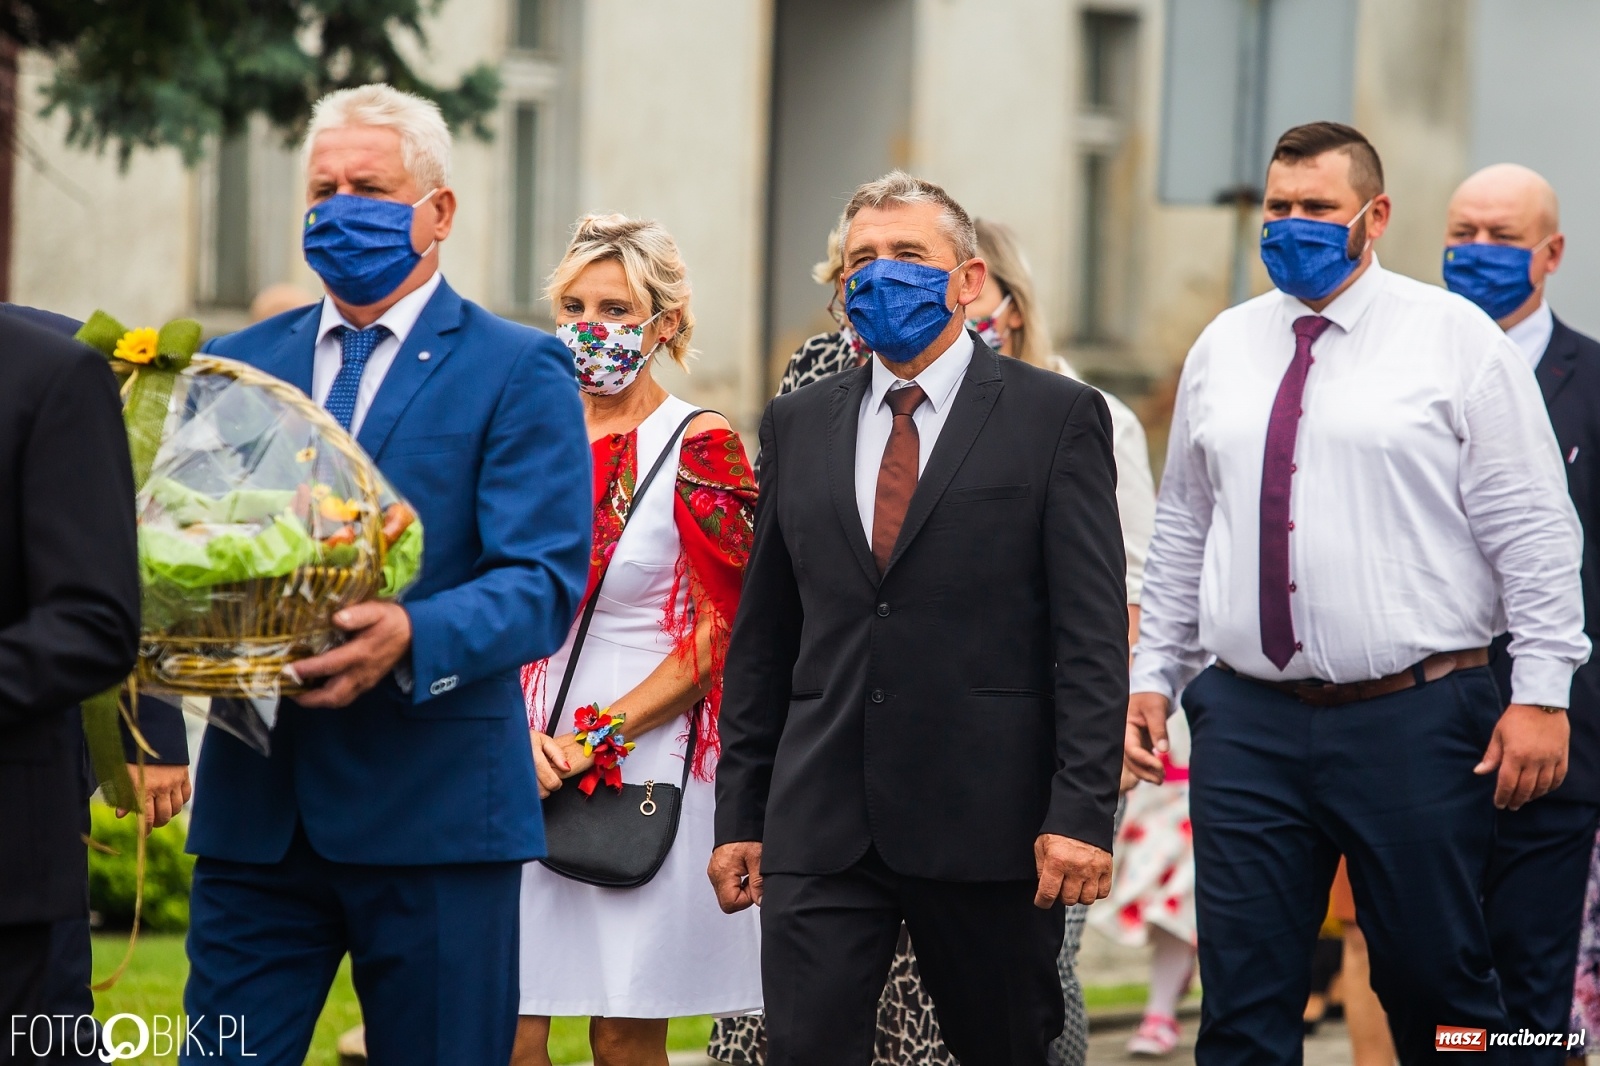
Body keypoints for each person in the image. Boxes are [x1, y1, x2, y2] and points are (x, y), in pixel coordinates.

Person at [1125, 122, 1587, 1065]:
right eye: (1279, 207)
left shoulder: (1452, 339)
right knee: (1246, 1000)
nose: (1291, 225)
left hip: (1414, 719)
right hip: (1248, 722)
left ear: (1372, 217)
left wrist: (1542, 694)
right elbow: (1183, 528)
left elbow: (1534, 528)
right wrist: (1153, 674)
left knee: (1439, 989)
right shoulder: (1226, 345)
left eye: (1317, 209)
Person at [178, 84, 592, 1066]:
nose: (340, 205)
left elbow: (540, 579)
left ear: (437, 211)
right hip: (257, 815)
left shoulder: (517, 367)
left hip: (438, 816)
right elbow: (184, 542)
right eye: (323, 186)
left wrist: (414, 636)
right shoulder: (236, 367)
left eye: (369, 184)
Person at [708, 214, 1156, 1066]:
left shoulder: (1055, 417)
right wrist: (743, 815)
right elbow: (765, 638)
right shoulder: (799, 421)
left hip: (991, 826)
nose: (881, 275)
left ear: (969, 279)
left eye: (908, 255)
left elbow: (1092, 639)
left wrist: (1080, 813)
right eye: (861, 259)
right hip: (821, 825)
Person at [512, 214, 762, 1065]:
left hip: (638, 749)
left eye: (616, 309)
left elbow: (724, 632)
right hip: (515, 740)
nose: (591, 328)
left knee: (622, 1036)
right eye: (573, 306)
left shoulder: (700, 444)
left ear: (666, 324)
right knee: (503, 1026)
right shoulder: (524, 425)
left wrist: (595, 739)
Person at [0, 302, 192, 1064]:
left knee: (47, 1026)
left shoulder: (52, 357)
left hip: (17, 799)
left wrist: (158, 729)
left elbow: (137, 560)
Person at [1443, 162, 1600, 1065]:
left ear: (1552, 253)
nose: (1478, 253)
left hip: (1557, 743)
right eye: (1464, 232)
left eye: (1504, 238)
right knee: (1445, 976)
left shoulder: (1590, 379)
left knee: (1531, 978)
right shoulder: (1405, 366)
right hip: (1426, 733)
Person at [1090, 712, 1196, 1058]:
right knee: (1159, 908)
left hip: (1202, 800)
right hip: (1157, 801)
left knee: (1177, 904)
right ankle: (1168, 993)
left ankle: (1159, 1013)